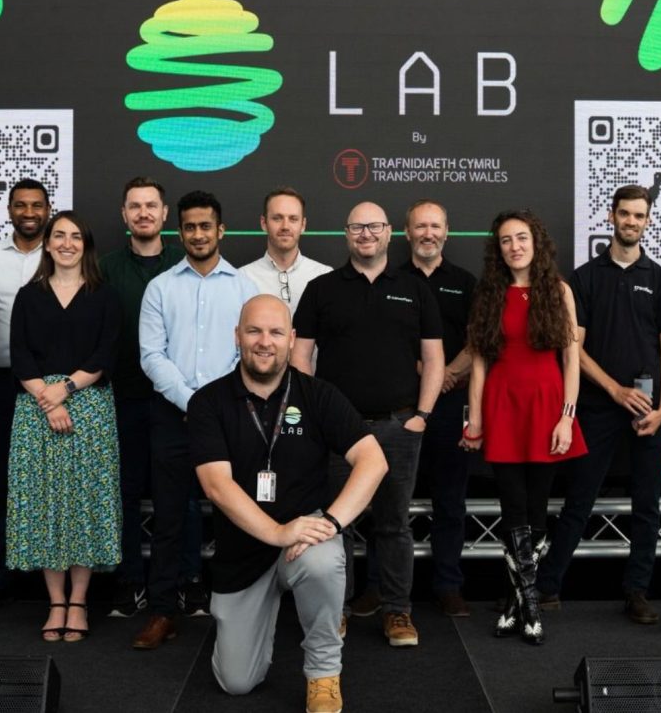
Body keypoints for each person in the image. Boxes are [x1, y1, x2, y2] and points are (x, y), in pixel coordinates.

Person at [190, 295, 387, 713]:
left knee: (323, 560)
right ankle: (252, 628)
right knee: (236, 683)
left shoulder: (319, 396)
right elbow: (217, 486)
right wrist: (278, 532)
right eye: (255, 331)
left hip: (303, 539)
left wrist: (332, 522)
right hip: (243, 550)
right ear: (237, 336)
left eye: (277, 332)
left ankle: (323, 672)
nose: (265, 342)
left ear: (293, 339)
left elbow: (374, 461)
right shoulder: (208, 402)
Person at [292, 201, 444, 648]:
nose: (366, 234)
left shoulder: (415, 290)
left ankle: (398, 612)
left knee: (394, 525)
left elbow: (434, 357)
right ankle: (336, 611)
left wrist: (423, 416)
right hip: (340, 431)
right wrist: (316, 417)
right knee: (336, 524)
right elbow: (300, 358)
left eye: (374, 226)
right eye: (357, 227)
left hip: (399, 428)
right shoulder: (321, 289)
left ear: (388, 232)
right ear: (345, 233)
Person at [536, 185, 661, 625]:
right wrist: (615, 390)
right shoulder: (584, 279)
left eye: (640, 215)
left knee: (647, 504)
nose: (631, 221)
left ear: (648, 221)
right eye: (625, 214)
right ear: (611, 216)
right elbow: (573, 351)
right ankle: (547, 588)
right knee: (579, 499)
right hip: (598, 407)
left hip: (649, 411)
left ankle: (637, 591)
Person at [132, 190, 258, 650]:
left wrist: (214, 406)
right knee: (167, 518)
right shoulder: (161, 287)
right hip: (172, 418)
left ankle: (237, 612)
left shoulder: (244, 289)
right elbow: (151, 356)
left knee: (235, 518)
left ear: (220, 230)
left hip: (231, 420)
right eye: (190, 227)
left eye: (206, 226)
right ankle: (162, 612)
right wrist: (194, 402)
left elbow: (250, 352)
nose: (198, 234)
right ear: (178, 231)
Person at [462, 209, 586, 644]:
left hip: (548, 407)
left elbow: (571, 362)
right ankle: (529, 605)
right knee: (512, 509)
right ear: (498, 249)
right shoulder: (489, 293)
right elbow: (478, 364)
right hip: (503, 407)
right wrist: (474, 419)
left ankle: (519, 603)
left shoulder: (560, 291)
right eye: (506, 241)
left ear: (536, 243)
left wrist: (567, 418)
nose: (514, 246)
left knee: (537, 512)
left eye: (521, 238)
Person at [7, 211, 122, 642]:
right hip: (36, 411)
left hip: (89, 408)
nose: (68, 243)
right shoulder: (28, 295)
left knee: (84, 504)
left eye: (76, 236)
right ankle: (56, 601)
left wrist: (66, 389)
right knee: (45, 507)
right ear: (49, 244)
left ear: (85, 245)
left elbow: (106, 354)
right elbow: (20, 355)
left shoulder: (105, 296)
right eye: (60, 236)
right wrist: (48, 398)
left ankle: (79, 601)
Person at [100, 176, 184, 619]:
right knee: (125, 494)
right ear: (124, 215)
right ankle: (128, 582)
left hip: (177, 403)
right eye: (135, 206)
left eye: (152, 205)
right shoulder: (107, 268)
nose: (144, 213)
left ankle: (185, 584)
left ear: (165, 214)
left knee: (182, 497)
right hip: (122, 399)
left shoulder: (185, 262)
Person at [0, 177, 51, 613]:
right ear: (10, 210)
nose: (29, 212)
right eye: (21, 205)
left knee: (50, 483)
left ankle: (49, 585)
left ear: (48, 209)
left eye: (37, 205)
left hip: (51, 387)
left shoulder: (61, 253)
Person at [404, 199, 476, 616]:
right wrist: (430, 370)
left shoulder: (465, 282)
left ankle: (448, 585)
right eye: (420, 226)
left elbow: (479, 339)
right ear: (407, 232)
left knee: (451, 501)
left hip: (451, 407)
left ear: (446, 232)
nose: (427, 233)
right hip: (403, 405)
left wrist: (445, 373)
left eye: (435, 226)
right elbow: (390, 340)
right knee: (391, 501)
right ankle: (383, 587)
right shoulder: (393, 279)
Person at [240, 187, 331, 316]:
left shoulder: (324, 275)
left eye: (293, 219)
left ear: (303, 225)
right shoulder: (243, 278)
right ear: (263, 223)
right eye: (277, 218)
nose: (285, 226)